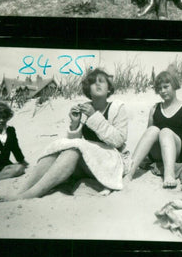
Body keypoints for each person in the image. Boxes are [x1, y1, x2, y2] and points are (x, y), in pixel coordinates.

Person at [8, 69, 129, 199]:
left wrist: (94, 116)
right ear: (88, 90)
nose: (98, 84)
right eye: (93, 83)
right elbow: (75, 142)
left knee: (72, 151)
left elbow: (118, 141)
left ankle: (33, 193)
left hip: (111, 161)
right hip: (90, 162)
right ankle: (21, 191)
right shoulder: (85, 107)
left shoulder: (117, 107)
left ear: (109, 89)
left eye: (102, 81)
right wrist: (75, 123)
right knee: (57, 151)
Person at [127, 70, 182, 188]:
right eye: (159, 89)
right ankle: (129, 172)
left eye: (166, 87)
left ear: (174, 85)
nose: (162, 91)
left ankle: (169, 174)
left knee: (165, 131)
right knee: (153, 130)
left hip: (179, 151)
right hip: (159, 151)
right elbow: (149, 135)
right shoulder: (155, 108)